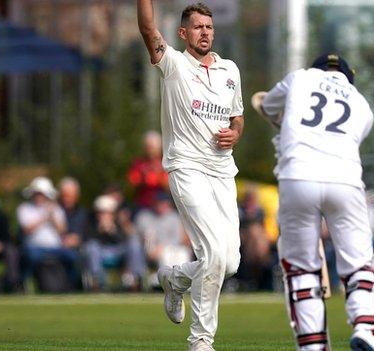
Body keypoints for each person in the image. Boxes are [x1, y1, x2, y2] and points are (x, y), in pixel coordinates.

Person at [255, 54, 374, 350]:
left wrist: (282, 118)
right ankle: (365, 326)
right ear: (348, 77)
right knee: (359, 264)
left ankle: (313, 345)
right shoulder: (363, 104)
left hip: (297, 175)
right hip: (346, 179)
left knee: (302, 268)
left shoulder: (300, 77)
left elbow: (266, 105)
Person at [138, 2, 244, 350]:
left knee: (229, 263)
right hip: (186, 167)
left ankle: (174, 278)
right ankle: (200, 340)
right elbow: (148, 29)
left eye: (209, 27)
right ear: (183, 33)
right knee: (213, 251)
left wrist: (236, 134)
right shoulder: (175, 65)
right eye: (197, 27)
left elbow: (237, 117)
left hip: (222, 170)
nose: (205, 33)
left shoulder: (230, 70)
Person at [17, 177, 79, 290]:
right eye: (37, 194)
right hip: (34, 247)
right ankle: (23, 284)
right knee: (30, 257)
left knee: (72, 256)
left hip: (55, 248)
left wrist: (53, 218)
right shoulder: (24, 208)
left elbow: (62, 230)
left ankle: (72, 285)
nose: (39, 196)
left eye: (41, 194)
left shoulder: (56, 209)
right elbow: (26, 230)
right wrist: (44, 217)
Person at [84, 195, 146, 291]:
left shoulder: (120, 222)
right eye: (101, 212)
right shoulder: (90, 223)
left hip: (119, 253)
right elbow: (86, 240)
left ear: (112, 213)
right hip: (101, 253)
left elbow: (126, 240)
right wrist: (99, 231)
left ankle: (136, 281)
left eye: (107, 213)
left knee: (134, 245)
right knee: (92, 247)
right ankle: (96, 282)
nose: (104, 216)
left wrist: (113, 231)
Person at [135, 191, 191, 273]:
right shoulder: (145, 216)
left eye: (164, 203)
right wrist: (151, 248)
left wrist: (163, 246)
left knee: (182, 254)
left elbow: (179, 238)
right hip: (150, 250)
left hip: (172, 248)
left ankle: (184, 282)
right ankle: (164, 282)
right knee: (166, 256)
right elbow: (139, 236)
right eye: (159, 203)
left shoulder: (174, 217)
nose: (161, 206)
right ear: (154, 203)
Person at [128, 131, 169, 209]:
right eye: (148, 147)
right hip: (144, 205)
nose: (150, 150)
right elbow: (133, 182)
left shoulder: (166, 163)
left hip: (164, 206)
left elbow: (168, 184)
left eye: (152, 147)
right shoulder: (138, 163)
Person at [58, 177, 87, 252]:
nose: (67, 199)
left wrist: (77, 240)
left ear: (77, 196)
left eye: (70, 196)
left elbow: (86, 235)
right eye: (64, 196)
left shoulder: (83, 213)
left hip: (78, 251)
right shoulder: (54, 211)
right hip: (57, 249)